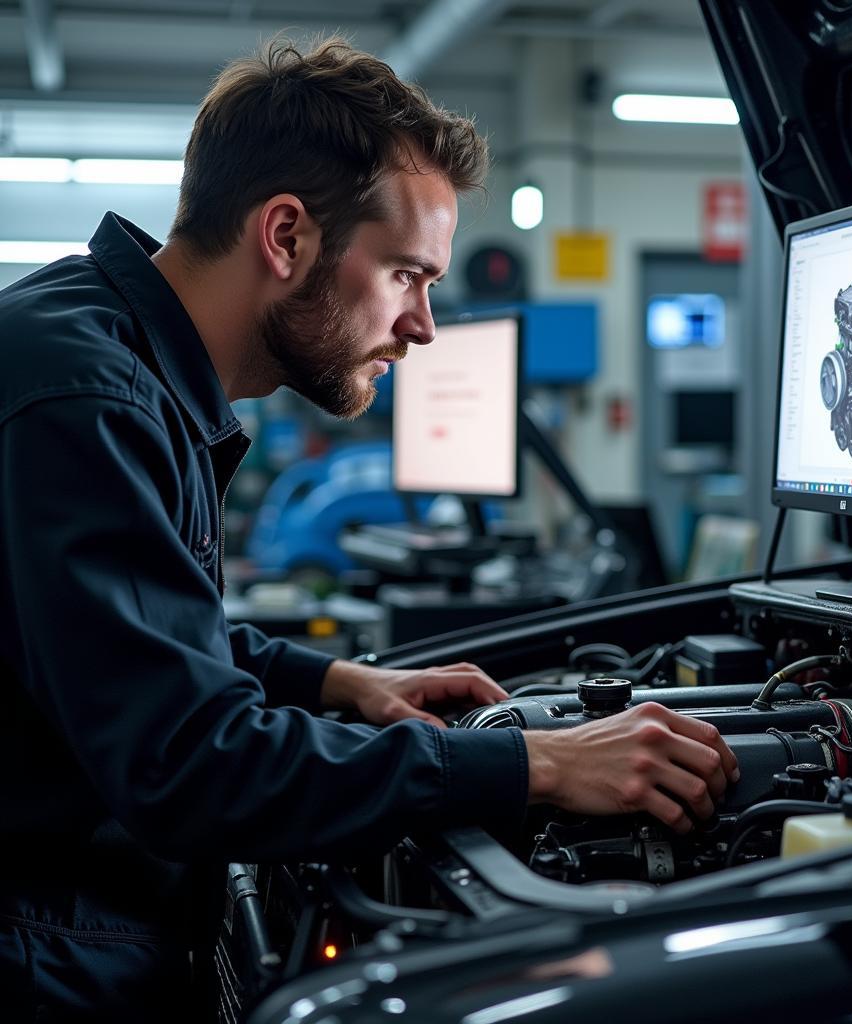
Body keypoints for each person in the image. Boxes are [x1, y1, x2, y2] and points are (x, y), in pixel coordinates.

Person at [0, 36, 739, 1021]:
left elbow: (120, 643)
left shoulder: (98, 350)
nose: (425, 325)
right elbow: (185, 763)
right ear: (286, 237)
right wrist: (540, 763)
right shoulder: (87, 398)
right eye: (405, 274)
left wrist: (329, 679)